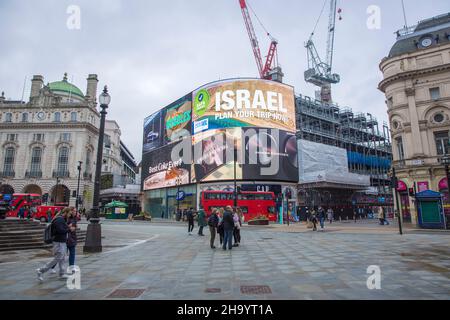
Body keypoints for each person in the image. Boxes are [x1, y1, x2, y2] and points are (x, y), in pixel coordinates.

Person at [36, 209, 69, 281]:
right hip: (58, 242)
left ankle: (62, 273)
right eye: (69, 213)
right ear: (65, 213)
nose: (70, 215)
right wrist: (69, 228)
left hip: (61, 241)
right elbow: (60, 230)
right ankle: (41, 270)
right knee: (57, 258)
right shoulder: (59, 220)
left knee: (62, 258)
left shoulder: (61, 219)